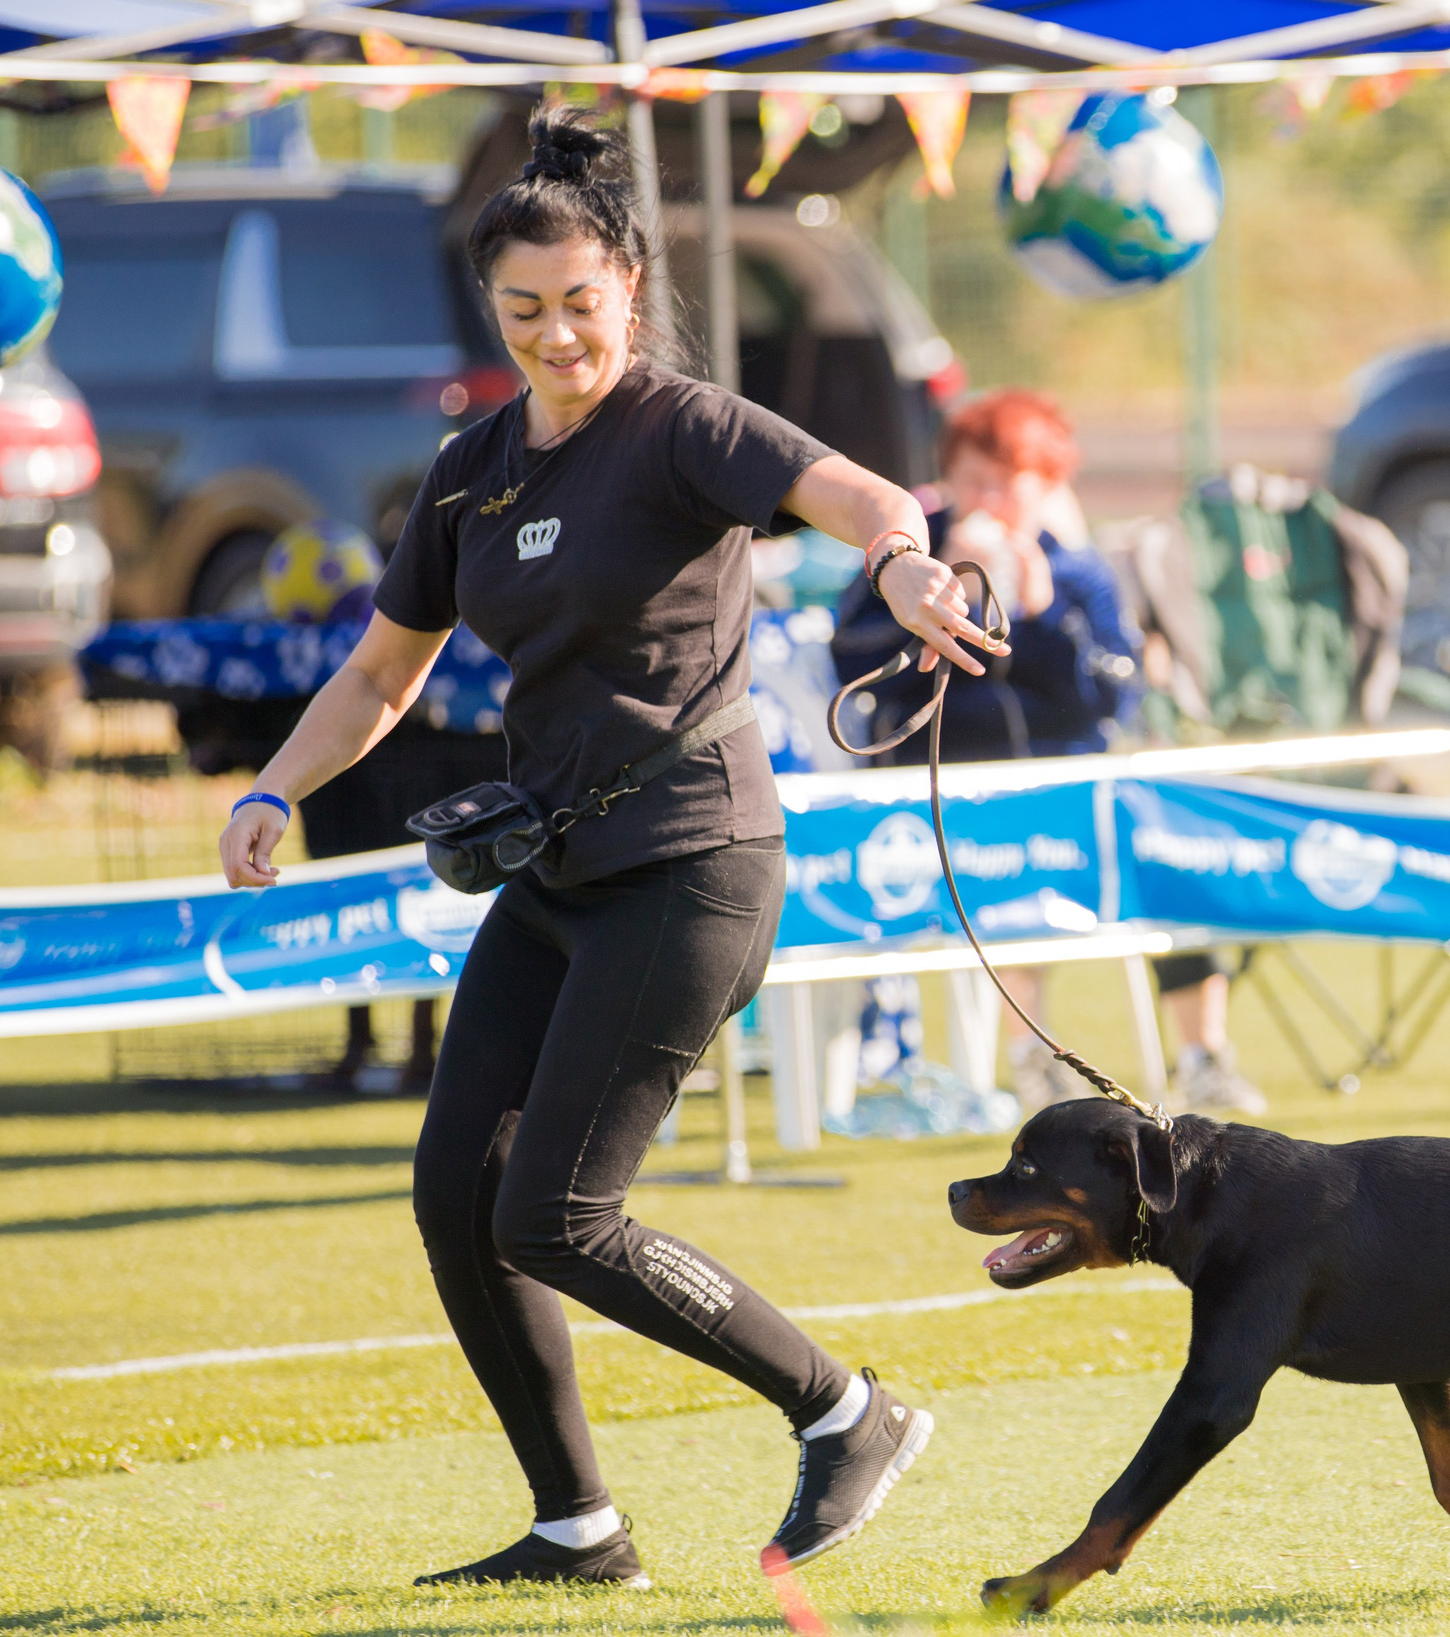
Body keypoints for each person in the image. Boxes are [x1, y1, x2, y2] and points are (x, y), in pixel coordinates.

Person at [215, 107, 999, 1590]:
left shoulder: (685, 426)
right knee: (459, 1195)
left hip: (693, 864)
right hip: (558, 875)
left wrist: (903, 562)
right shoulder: (473, 470)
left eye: (582, 303)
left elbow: (860, 496)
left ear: (630, 287)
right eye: (525, 310)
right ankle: (578, 1527)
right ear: (491, 309)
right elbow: (383, 674)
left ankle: (849, 1410)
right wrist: (275, 784)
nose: (557, 334)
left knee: (558, 1212)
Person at [830, 391, 1159, 1110]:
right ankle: (946, 1057)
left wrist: (1044, 617)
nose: (989, 501)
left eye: (1009, 484)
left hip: (1049, 789)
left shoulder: (1076, 571)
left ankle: (1050, 1054)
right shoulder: (904, 561)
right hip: (927, 791)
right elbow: (848, 661)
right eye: (974, 480)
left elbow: (1110, 698)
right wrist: (928, 591)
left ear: (1048, 490)